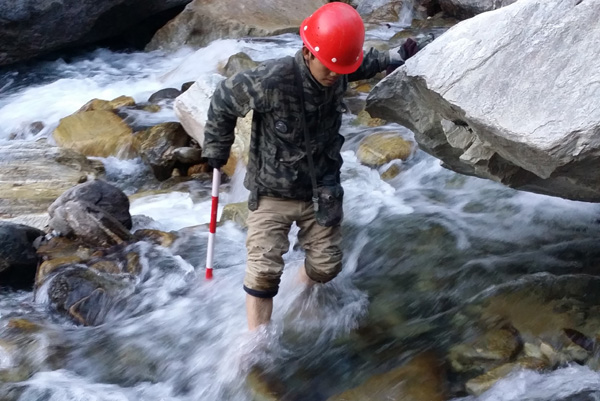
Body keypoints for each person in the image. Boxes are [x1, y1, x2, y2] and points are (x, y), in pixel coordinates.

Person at [202, 2, 428, 330]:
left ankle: (297, 291)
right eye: (330, 67)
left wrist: (395, 56)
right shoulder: (272, 79)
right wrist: (216, 148)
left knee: (326, 267)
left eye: (341, 69)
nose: (335, 75)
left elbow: (363, 63)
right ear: (308, 52)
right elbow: (224, 99)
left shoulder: (339, 70)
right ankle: (255, 341)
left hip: (321, 188)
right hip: (272, 191)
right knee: (263, 273)